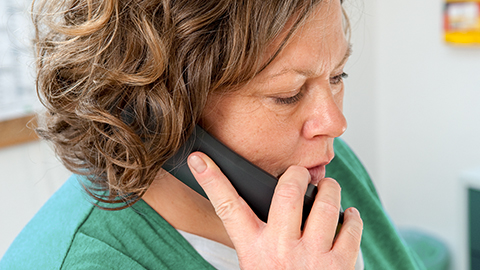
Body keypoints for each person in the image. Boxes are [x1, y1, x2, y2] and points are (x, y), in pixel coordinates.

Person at [1, 0, 425, 269]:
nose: (334, 122)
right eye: (288, 95)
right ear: (158, 113)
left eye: (337, 75)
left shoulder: (317, 171)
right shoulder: (75, 263)